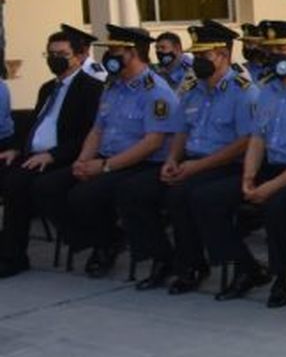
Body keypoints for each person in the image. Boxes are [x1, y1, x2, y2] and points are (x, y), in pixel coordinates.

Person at [197, 21, 286, 306]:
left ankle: (284, 276)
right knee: (206, 198)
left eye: (281, 50)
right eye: (270, 50)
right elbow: (258, 139)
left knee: (276, 206)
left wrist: (272, 186)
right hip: (270, 167)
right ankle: (246, 267)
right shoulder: (268, 89)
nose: (275, 56)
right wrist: (249, 177)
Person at [118, 21, 257, 293]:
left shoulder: (243, 91)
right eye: (198, 55)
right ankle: (164, 258)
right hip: (192, 163)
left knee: (189, 197)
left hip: (227, 165)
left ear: (223, 56)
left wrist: (195, 167)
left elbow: (245, 142)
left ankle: (241, 266)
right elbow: (181, 130)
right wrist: (172, 160)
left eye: (205, 56)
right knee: (133, 190)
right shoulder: (193, 89)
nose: (198, 61)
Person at [49, 25, 183, 278]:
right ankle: (105, 240)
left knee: (112, 193)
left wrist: (106, 166)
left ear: (133, 53)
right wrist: (82, 161)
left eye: (115, 51)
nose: (109, 56)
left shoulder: (156, 91)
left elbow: (153, 142)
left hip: (144, 163)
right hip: (108, 157)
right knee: (56, 185)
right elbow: (97, 130)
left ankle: (160, 257)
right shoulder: (113, 87)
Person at [0, 26, 103, 278]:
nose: (55, 59)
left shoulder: (90, 88)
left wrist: (52, 155)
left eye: (61, 54)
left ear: (78, 57)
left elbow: (88, 134)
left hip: (64, 157)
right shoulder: (47, 88)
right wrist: (15, 148)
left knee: (22, 184)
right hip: (32, 154)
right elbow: (35, 122)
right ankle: (11, 250)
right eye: (50, 54)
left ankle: (14, 255)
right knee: (9, 177)